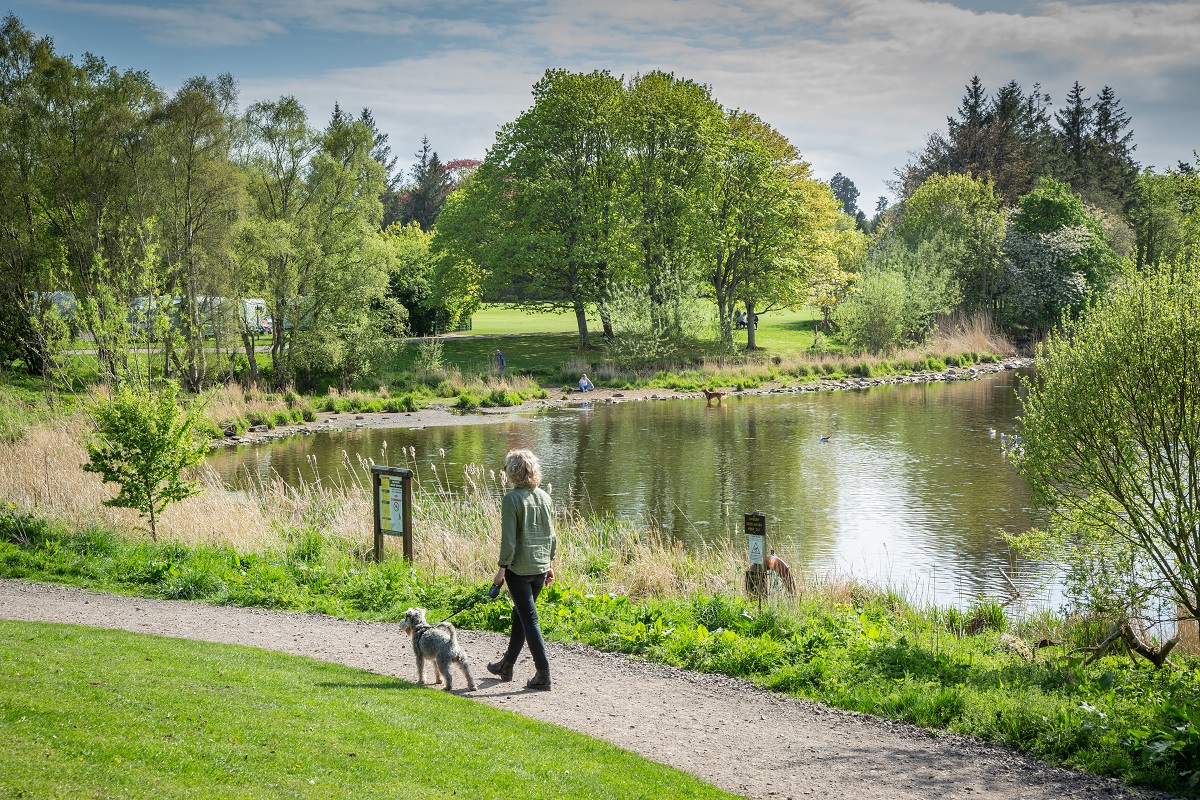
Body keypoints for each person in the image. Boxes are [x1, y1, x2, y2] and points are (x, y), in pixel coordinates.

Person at [488, 449, 557, 690]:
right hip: (539, 568)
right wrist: (550, 565)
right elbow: (551, 536)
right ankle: (506, 665)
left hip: (519, 569)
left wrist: (501, 570)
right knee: (520, 616)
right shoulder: (544, 498)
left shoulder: (511, 499)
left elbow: (508, 540)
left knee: (529, 619)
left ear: (512, 472)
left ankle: (543, 674)